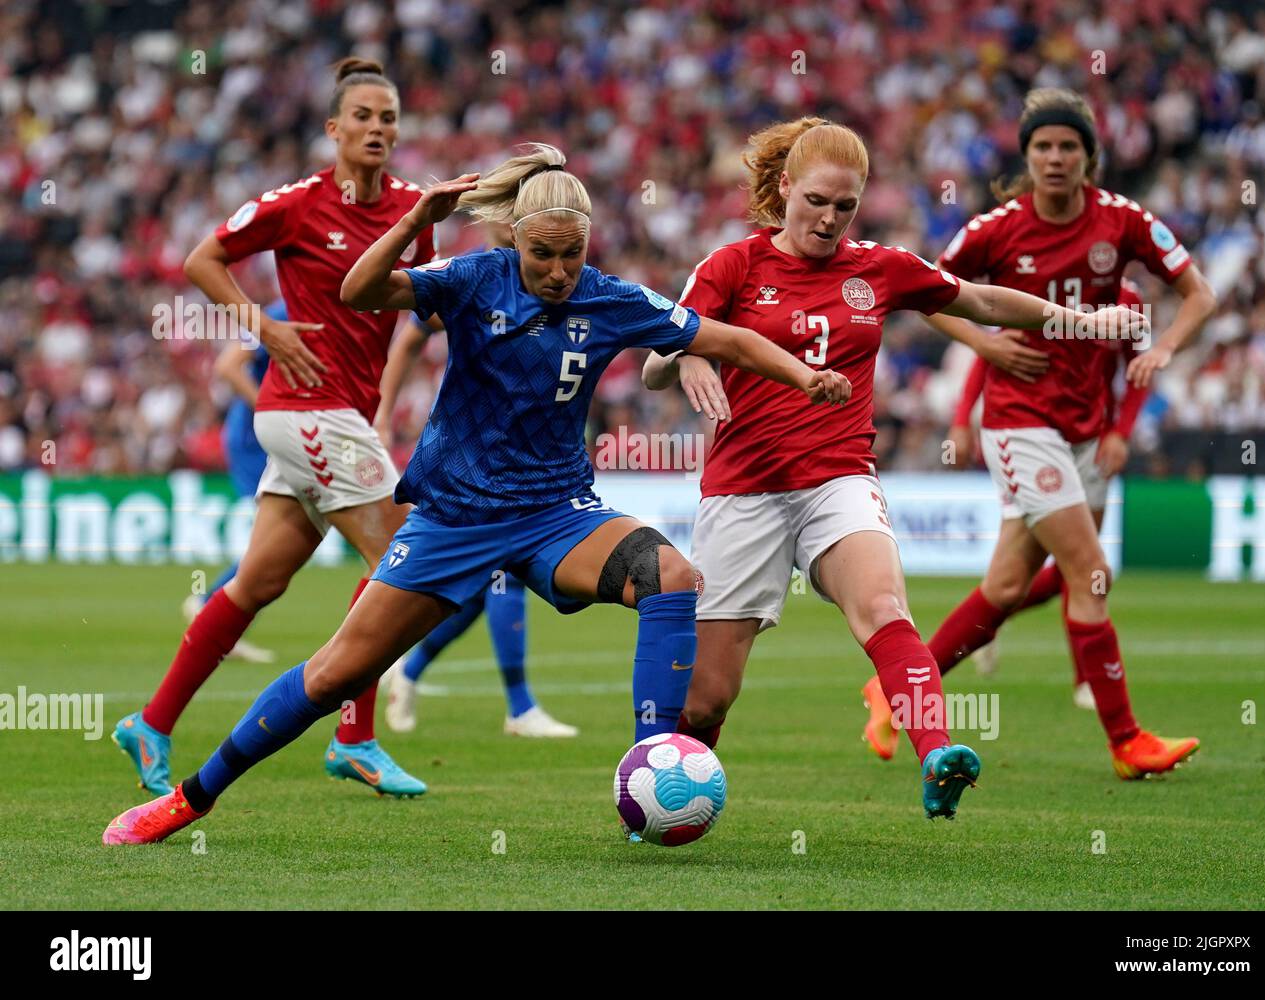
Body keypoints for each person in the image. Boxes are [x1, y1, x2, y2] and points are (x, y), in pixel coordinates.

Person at [102, 142, 851, 845]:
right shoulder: (470, 278)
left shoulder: (609, 299)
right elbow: (359, 291)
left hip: (558, 514)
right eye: (542, 255)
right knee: (335, 673)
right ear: (514, 241)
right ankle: (187, 799)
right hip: (455, 518)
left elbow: (725, 339)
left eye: (572, 255)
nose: (558, 271)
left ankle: (650, 767)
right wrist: (414, 222)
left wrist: (803, 375)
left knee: (673, 577)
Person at [643, 116, 1142, 818]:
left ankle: (936, 751)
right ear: (785, 187)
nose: (828, 219)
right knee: (708, 697)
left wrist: (1084, 324)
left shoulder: (879, 267)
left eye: (845, 207)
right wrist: (690, 355)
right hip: (744, 490)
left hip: (839, 478)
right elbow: (655, 362)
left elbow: (985, 301)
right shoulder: (733, 265)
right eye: (816, 201)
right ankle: (666, 792)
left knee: (883, 607)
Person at [862, 89, 1217, 780]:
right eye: (1043, 147)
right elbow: (923, 291)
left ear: (1090, 156)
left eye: (1068, 146)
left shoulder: (1123, 222)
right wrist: (987, 349)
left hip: (1083, 429)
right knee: (1090, 573)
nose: (1055, 158)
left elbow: (1199, 292)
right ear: (1027, 157)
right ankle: (1126, 740)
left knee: (1003, 588)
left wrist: (1165, 348)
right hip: (1020, 423)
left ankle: (894, 687)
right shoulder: (997, 228)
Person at [110, 58, 434, 799]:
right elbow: (204, 259)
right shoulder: (299, 204)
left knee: (258, 581)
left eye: (388, 116)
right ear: (334, 129)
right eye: (363, 116)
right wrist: (266, 329)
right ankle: (354, 737)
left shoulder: (416, 211)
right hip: (303, 407)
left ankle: (152, 723)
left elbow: (427, 297)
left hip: (339, 414)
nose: (377, 127)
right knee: (403, 559)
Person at [375, 224, 577, 739]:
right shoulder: (475, 278)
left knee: (482, 585)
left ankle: (411, 671)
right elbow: (410, 337)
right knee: (499, 577)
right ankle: (520, 707)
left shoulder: (559, 285)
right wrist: (382, 413)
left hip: (526, 461)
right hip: (472, 460)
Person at [934, 278, 1148, 711]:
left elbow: (1137, 371)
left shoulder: (1127, 298)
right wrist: (962, 419)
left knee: (1065, 574)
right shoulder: (1037, 285)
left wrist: (1120, 434)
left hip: (1090, 441)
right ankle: (1091, 687)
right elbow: (992, 354)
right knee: (1089, 569)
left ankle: (982, 631)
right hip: (1032, 437)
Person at [177, 303, 281, 666]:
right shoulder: (282, 311)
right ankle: (211, 608)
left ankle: (217, 615)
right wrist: (269, 409)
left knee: (280, 540)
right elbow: (228, 365)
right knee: (278, 538)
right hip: (257, 439)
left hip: (272, 436)